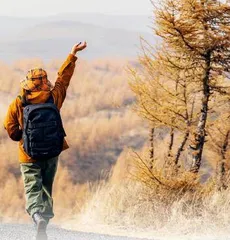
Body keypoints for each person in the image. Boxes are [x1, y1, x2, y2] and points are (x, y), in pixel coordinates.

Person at [4, 42, 87, 240]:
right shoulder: (53, 97)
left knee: (32, 186)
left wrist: (21, 137)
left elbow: (10, 126)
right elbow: (63, 79)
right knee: (46, 188)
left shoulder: (19, 101)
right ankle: (45, 222)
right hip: (52, 151)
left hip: (28, 153)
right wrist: (72, 54)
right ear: (44, 82)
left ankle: (37, 214)